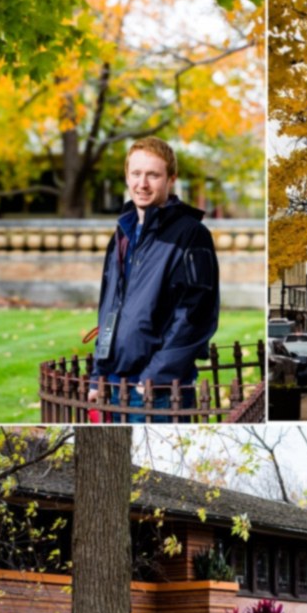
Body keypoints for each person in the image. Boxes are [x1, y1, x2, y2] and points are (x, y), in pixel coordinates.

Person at [88, 137, 219, 422]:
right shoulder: (122, 233)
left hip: (159, 389)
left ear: (171, 179)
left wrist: (155, 375)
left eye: (153, 175)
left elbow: (195, 315)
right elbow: (110, 307)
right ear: (126, 176)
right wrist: (99, 373)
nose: (142, 183)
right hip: (115, 382)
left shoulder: (191, 234)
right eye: (136, 174)